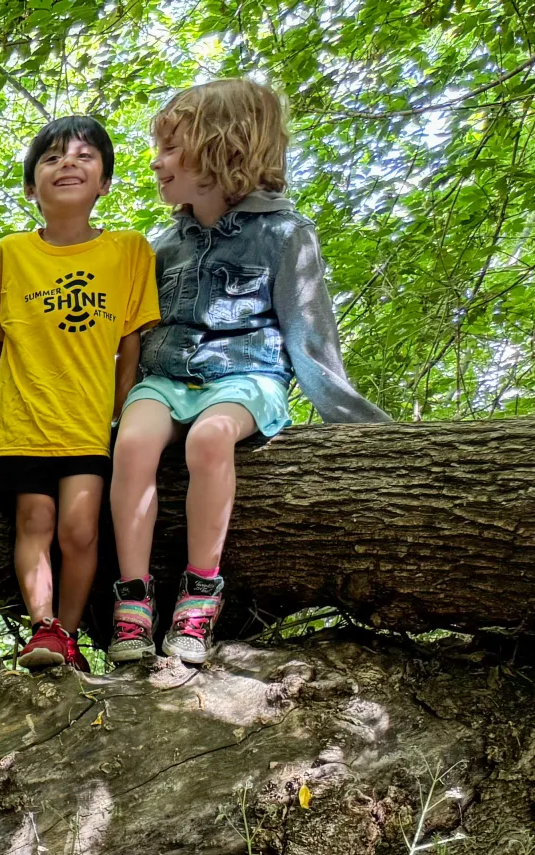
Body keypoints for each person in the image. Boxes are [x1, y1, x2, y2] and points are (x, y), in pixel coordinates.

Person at [109, 79, 389, 666]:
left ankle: (200, 592)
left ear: (223, 148)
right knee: (130, 444)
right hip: (166, 377)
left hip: (246, 379)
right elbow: (134, 336)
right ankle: (132, 597)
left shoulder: (286, 235)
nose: (156, 162)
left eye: (170, 149)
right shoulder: (165, 245)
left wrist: (366, 430)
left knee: (210, 440)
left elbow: (310, 340)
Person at [0, 116, 159, 673]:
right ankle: (45, 629)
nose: (68, 163)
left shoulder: (129, 250)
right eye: (51, 158)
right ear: (31, 188)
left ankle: (69, 636)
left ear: (105, 183)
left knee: (79, 529)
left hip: (87, 423)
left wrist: (123, 409)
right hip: (23, 422)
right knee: (35, 521)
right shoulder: (11, 252)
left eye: (83, 155)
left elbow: (131, 341)